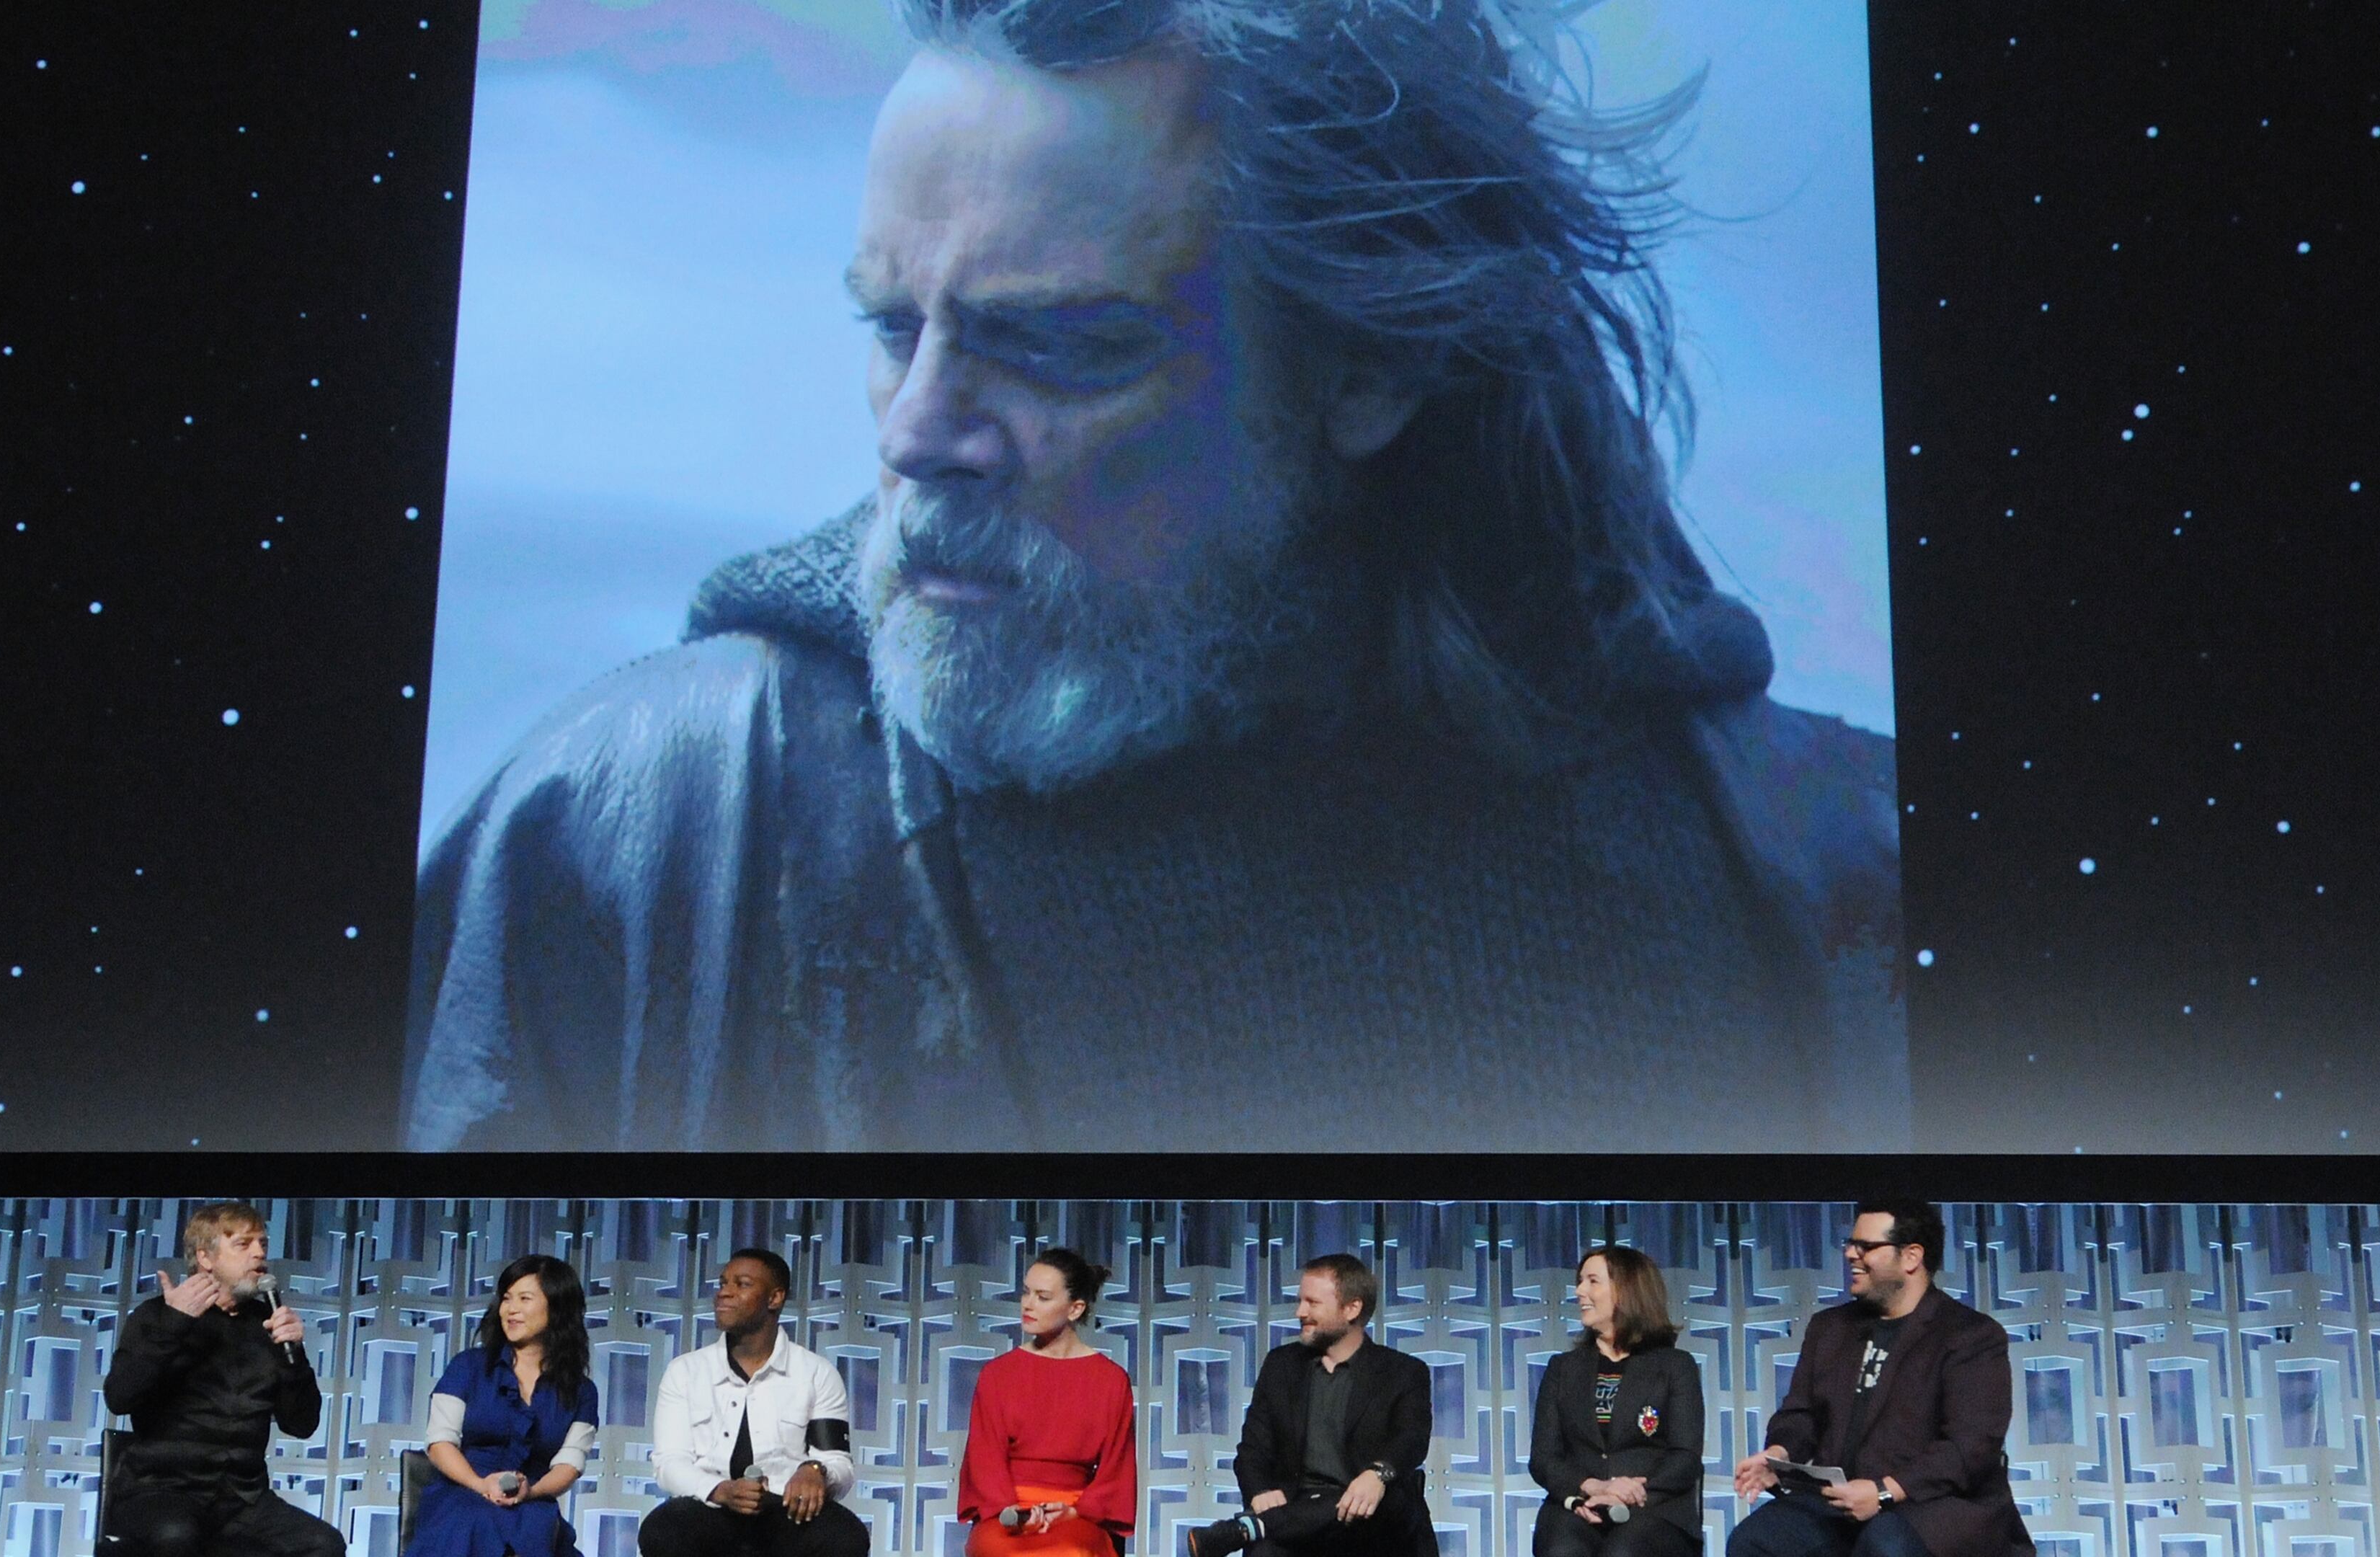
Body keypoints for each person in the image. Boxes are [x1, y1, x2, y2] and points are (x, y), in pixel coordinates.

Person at [403, 0, 1903, 1155]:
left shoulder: (1826, 872)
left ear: (1369, 367)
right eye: (889, 328)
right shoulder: (633, 835)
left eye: (1060, 343)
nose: (921, 431)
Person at [1726, 1202, 2031, 1557]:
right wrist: (1778, 1455)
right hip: (1842, 1503)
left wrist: (1884, 1492)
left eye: (1866, 1246)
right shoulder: (1830, 1329)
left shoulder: (1970, 1336)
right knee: (1756, 1540)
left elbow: (1969, 1447)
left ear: (1911, 1257)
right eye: (1851, 1243)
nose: (1851, 1254)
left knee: (1886, 1545)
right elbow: (1801, 1415)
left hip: (1931, 1506)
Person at [99, 1203, 345, 1557]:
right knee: (176, 1536)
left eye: (262, 1243)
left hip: (242, 1499)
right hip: (159, 1490)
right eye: (244, 1245)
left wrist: (294, 1357)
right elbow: (120, 1398)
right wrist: (174, 1324)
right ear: (206, 1257)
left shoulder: (270, 1324)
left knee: (323, 1545)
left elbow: (302, 1425)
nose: (260, 1253)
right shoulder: (158, 1316)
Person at [1188, 1254, 1431, 1557]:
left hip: (1369, 1515)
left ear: (1352, 1308)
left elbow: (1412, 1439)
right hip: (1296, 1507)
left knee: (1384, 1498)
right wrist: (1260, 1491)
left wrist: (1377, 1474)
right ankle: (1264, 1527)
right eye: (1300, 1301)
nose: (1299, 1312)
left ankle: (1254, 1527)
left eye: (1312, 1303)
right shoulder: (1281, 1366)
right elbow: (1252, 1451)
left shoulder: (1403, 1372)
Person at [643, 1249, 868, 1557]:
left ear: (774, 1298)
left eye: (742, 1284)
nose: (724, 1293)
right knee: (663, 1529)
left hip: (785, 1514)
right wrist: (721, 1490)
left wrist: (815, 1470)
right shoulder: (686, 1371)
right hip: (710, 1508)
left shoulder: (816, 1373)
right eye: (723, 1283)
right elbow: (669, 1464)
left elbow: (839, 1463)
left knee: (845, 1535)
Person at [409, 1255, 601, 1557]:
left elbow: (569, 1465)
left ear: (558, 1308)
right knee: (475, 1522)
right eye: (507, 1299)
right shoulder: (468, 1366)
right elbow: (440, 1442)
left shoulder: (582, 1391)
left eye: (525, 1299)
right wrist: (480, 1483)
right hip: (463, 1493)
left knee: (536, 1536)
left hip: (532, 1504)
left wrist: (531, 1492)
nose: (510, 1309)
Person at [958, 1249, 1137, 1557]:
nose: (1028, 1304)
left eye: (1043, 1297)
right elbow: (984, 1459)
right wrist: (1009, 1512)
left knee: (1072, 1552)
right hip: (1008, 1513)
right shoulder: (998, 1374)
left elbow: (1116, 1469)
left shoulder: (1111, 1380)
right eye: (1026, 1293)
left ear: (1075, 1309)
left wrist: (1078, 1511)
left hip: (1075, 1514)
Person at [1529, 1248, 1702, 1557]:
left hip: (1654, 1507)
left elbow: (1684, 1457)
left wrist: (1629, 1493)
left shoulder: (1676, 1366)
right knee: (1561, 1551)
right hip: (1579, 1506)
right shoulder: (1563, 1368)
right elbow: (1544, 1459)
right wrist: (1592, 1487)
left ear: (1627, 1290)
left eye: (1593, 1281)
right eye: (1580, 1281)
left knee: (1624, 1553)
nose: (1580, 1291)